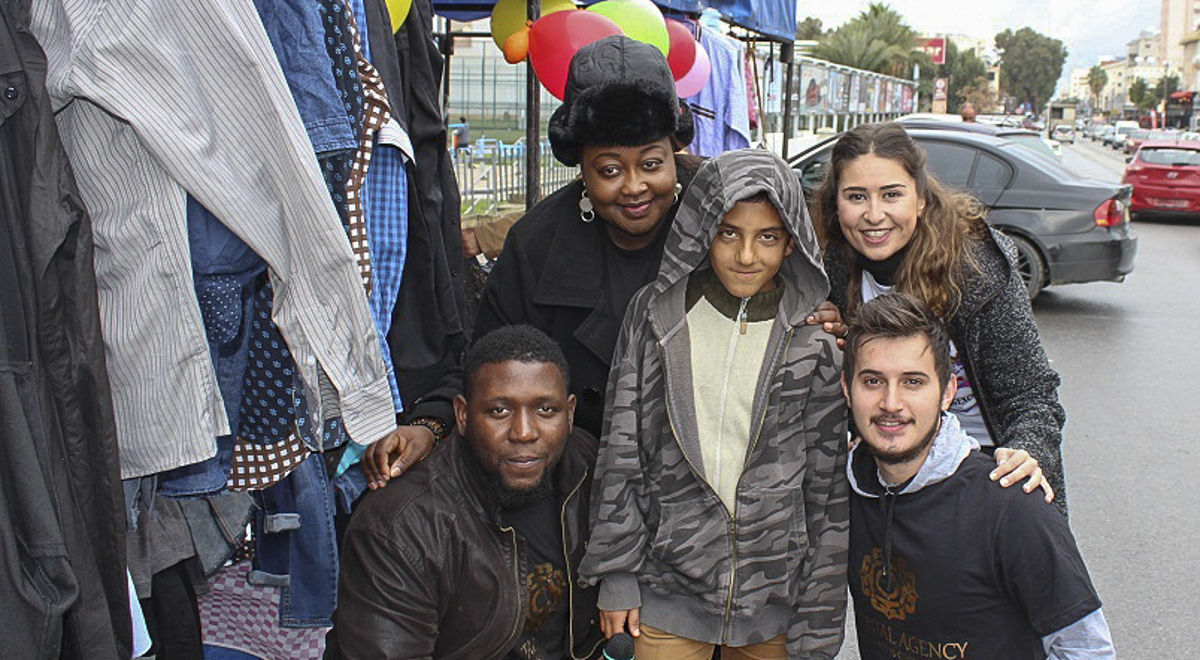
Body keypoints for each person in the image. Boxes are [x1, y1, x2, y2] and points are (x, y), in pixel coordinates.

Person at [580, 149, 848, 659]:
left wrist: (818, 619)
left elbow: (826, 489)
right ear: (703, 230)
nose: (746, 255)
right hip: (666, 590)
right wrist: (616, 573)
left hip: (775, 600)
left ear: (791, 241)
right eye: (729, 233)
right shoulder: (658, 317)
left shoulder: (814, 339)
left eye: (767, 236)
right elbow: (622, 448)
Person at [842, 292, 1115, 659]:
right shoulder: (841, 491)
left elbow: (1086, 648)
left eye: (913, 382)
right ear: (847, 389)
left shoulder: (1010, 505)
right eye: (873, 381)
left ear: (947, 392)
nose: (891, 403)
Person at [814, 121, 1068, 513]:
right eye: (856, 196)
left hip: (986, 464)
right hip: (892, 465)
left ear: (920, 199)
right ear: (836, 204)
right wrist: (827, 335)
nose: (874, 214)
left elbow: (1031, 394)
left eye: (891, 194)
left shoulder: (975, 269)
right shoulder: (831, 271)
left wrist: (1026, 451)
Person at [325, 325, 604, 660]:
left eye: (545, 410)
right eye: (499, 411)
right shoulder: (400, 526)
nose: (524, 432)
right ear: (462, 414)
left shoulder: (587, 467)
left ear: (570, 413)